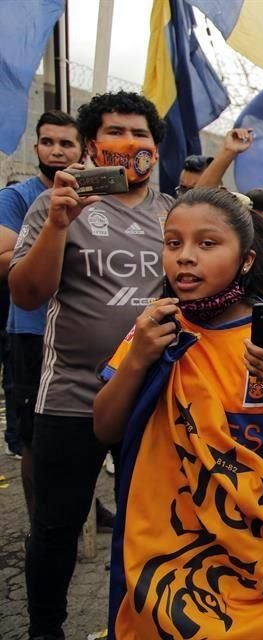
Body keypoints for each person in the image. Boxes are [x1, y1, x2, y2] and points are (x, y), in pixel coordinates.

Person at [8, 90, 173, 640]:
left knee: (148, 525)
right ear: (91, 147)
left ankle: (140, 623)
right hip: (69, 398)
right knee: (56, 528)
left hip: (151, 400)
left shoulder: (174, 214)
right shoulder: (57, 206)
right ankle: (44, 629)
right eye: (116, 133)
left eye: (140, 134)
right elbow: (28, 295)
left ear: (155, 145)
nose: (130, 144)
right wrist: (57, 224)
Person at [93, 187, 263, 462]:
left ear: (246, 261)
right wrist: (137, 360)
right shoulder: (154, 328)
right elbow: (105, 430)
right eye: (173, 243)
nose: (185, 257)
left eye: (207, 244)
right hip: (166, 508)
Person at [0, 111, 83, 523]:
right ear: (36, 147)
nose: (57, 150)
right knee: (37, 439)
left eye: (66, 143)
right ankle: (40, 524)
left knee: (85, 438)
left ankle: (87, 508)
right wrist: (53, 234)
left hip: (81, 336)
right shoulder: (16, 199)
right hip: (34, 335)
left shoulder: (99, 198)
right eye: (48, 141)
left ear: (82, 149)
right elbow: (5, 261)